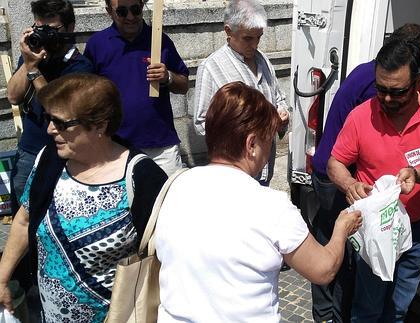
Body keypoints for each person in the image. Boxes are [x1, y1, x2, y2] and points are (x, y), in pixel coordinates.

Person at [155, 81, 362, 322]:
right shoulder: (271, 206)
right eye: (268, 140)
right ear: (251, 144)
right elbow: (323, 269)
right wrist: (341, 229)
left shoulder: (177, 185)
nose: (269, 150)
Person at [0, 74, 167, 322]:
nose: (50, 129)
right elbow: (24, 220)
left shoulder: (142, 179)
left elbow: (168, 260)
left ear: (100, 125)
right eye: (48, 118)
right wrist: (2, 278)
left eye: (60, 122)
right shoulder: (50, 160)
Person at [327, 38, 420, 322]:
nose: (386, 99)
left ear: (419, 81)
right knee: (367, 309)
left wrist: (419, 173)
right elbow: (335, 162)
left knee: (398, 309)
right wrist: (349, 184)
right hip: (374, 233)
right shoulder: (362, 115)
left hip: (415, 229)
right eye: (381, 89)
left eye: (397, 92)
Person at [309, 23, 420, 323]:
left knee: (332, 238)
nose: (389, 98)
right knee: (344, 251)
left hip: (330, 166)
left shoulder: (369, 71)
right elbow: (366, 137)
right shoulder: (380, 84)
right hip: (334, 173)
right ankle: (333, 315)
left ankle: (325, 312)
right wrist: (354, 181)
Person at [6, 0, 94, 292]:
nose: (45, 36)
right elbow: (14, 96)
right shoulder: (34, 54)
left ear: (70, 28)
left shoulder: (80, 65)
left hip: (64, 155)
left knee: (58, 221)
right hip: (31, 150)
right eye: (40, 28)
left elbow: (59, 108)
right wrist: (28, 63)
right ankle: (29, 280)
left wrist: (35, 73)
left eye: (53, 29)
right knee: (25, 220)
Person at [84, 0, 189, 176]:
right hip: (116, 146)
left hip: (161, 146)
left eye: (135, 9)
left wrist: (168, 77)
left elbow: (183, 85)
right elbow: (85, 94)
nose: (131, 17)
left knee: (167, 200)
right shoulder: (97, 45)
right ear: (109, 11)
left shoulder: (159, 40)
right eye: (122, 12)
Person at [193, 0, 290, 186]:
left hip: (264, 168)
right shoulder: (211, 67)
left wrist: (281, 114)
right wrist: (245, 129)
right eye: (248, 38)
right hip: (234, 174)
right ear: (228, 32)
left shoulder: (263, 61)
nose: (254, 45)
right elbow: (201, 122)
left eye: (259, 38)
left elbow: (278, 97)